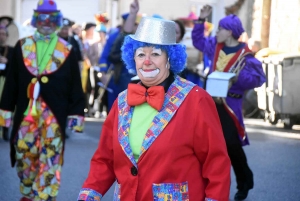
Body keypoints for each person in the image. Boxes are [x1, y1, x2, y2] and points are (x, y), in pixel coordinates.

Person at [77, 15, 231, 200]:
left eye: (156, 54)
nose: (147, 61)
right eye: (141, 54)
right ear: (133, 58)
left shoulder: (196, 100)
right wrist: (89, 195)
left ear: (169, 59)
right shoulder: (122, 101)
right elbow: (104, 159)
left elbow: (216, 163)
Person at [0, 0, 85, 200]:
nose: (47, 22)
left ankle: (45, 196)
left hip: (54, 115)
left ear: (57, 20)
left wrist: (76, 113)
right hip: (26, 113)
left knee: (51, 157)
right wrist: (5, 112)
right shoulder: (22, 46)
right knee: (23, 155)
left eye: (51, 18)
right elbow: (11, 81)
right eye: (43, 17)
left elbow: (74, 84)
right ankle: (28, 191)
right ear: (36, 19)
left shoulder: (67, 49)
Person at [192, 5, 266, 201]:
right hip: (210, 103)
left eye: (220, 29)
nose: (217, 32)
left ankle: (244, 180)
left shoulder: (246, 54)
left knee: (231, 144)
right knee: (206, 145)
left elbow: (258, 79)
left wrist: (236, 79)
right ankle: (207, 185)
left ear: (230, 32)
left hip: (230, 105)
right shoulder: (215, 46)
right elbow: (198, 41)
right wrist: (200, 20)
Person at [0, 26, 13, 141]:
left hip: (5, 81)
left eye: (3, 34)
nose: (1, 36)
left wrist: (7, 62)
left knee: (5, 106)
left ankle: (5, 130)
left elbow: (15, 67)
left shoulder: (12, 50)